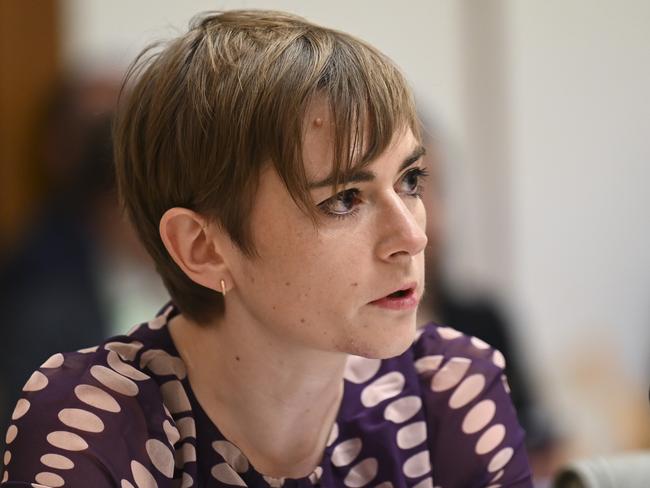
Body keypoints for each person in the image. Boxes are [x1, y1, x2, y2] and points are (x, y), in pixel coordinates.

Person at [0, 10, 532, 487]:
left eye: (410, 180)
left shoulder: (450, 388)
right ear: (203, 247)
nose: (413, 236)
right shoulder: (92, 421)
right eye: (345, 198)